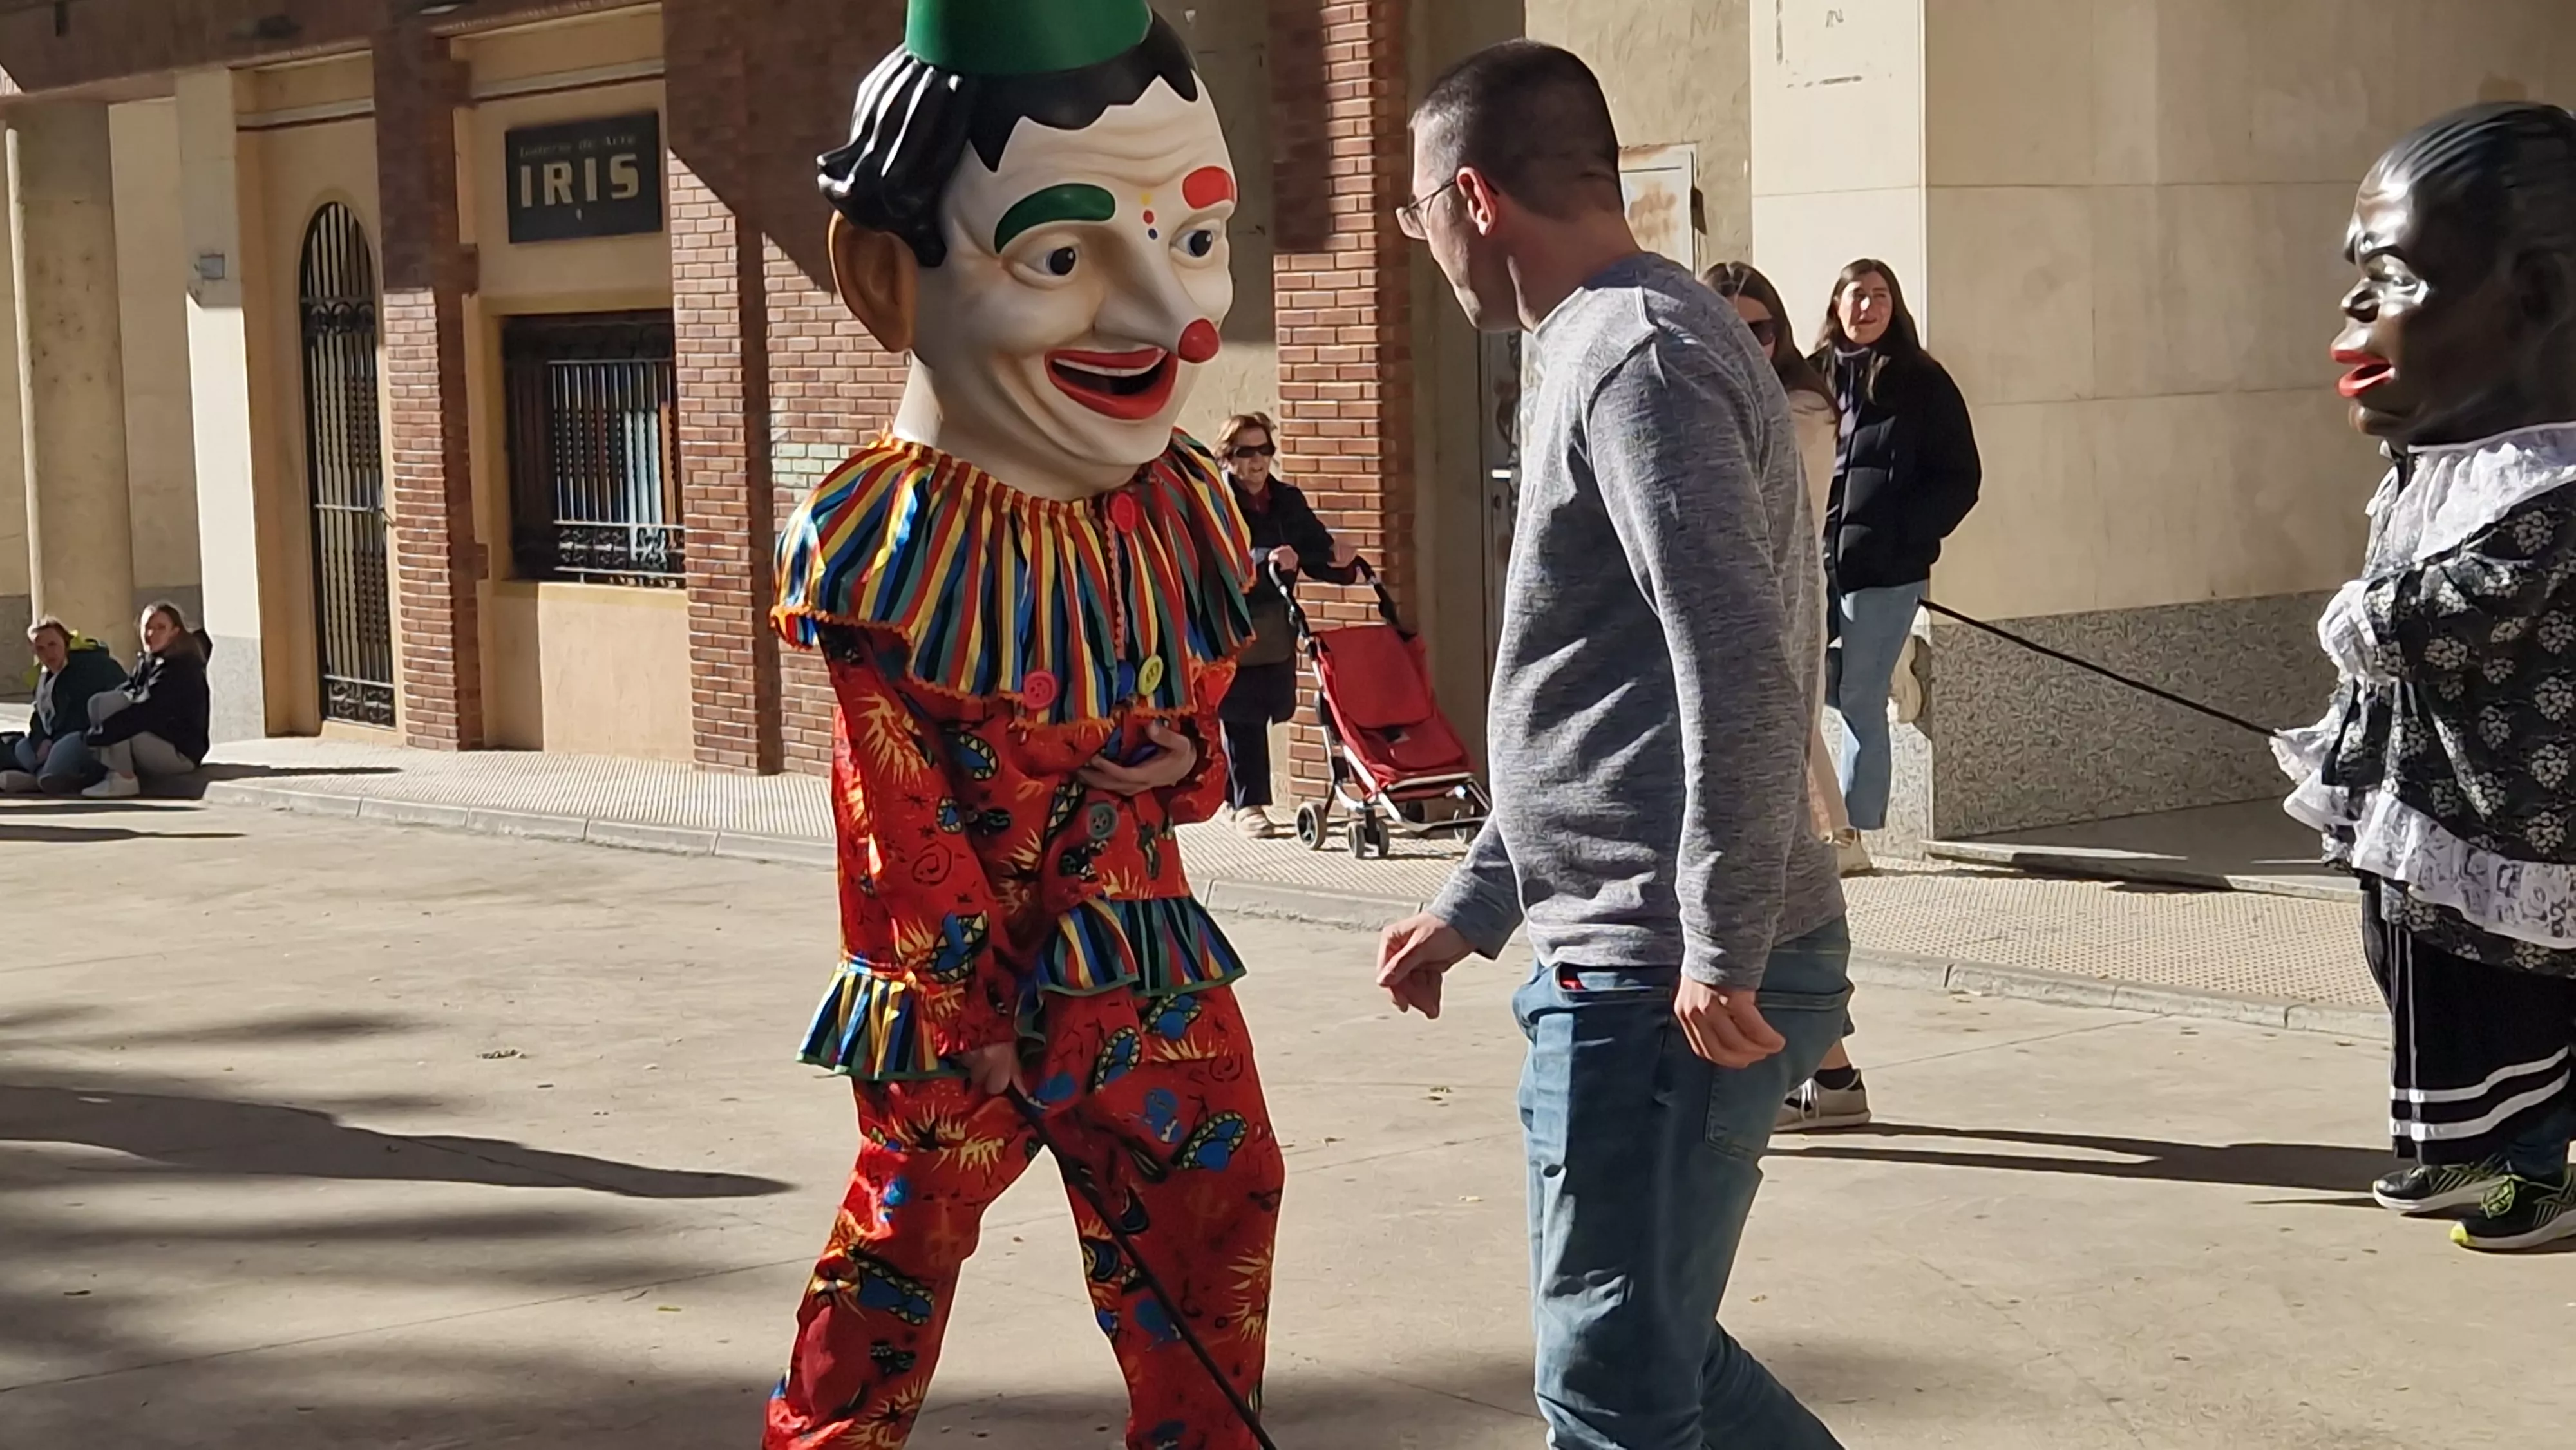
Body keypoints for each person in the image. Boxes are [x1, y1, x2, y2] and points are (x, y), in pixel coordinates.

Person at [761, 4, 1284, 1445]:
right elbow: (891, 807)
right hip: (963, 984)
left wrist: (1186, 755)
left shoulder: (1178, 506)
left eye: (1196, 238)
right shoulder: (881, 538)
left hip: (1137, 950)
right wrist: (962, 1011)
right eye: (1060, 255)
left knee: (1221, 1201)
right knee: (901, 1246)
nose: (1171, 317)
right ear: (886, 274)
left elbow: (1193, 708)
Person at [1376, 41, 1850, 1450]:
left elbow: (1738, 664)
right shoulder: (1602, 340)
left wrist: (1718, 940)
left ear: (1473, 198)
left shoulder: (1637, 356)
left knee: (1608, 1389)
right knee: (1656, 1356)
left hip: (1660, 979)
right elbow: (1589, 693)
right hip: (1635, 953)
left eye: (1416, 215)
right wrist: (1476, 900)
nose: (1424, 249)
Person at [2277, 101, 2576, 1252]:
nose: (2356, 310)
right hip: (2425, 801)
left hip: (2515, 820)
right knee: (2420, 966)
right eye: (2357, 279)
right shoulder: (2439, 465)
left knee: (2514, 989)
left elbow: (2480, 603)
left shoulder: (2546, 482)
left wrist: (2373, 618)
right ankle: (2468, 1142)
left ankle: (2537, 1167)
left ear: (2534, 297)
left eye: (2394, 279)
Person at [1705, 261, 1870, 880]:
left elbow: (1773, 498)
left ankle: (1835, 839)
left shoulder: (1800, 406)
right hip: (1729, 583)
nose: (1749, 344)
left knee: (1788, 716)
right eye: (1730, 329)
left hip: (1782, 579)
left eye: (1761, 330)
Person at [1808, 259, 1980, 839]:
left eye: (1880, 295)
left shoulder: (1922, 381)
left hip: (1885, 571)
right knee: (1791, 681)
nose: (1868, 307)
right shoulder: (1811, 375)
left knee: (1859, 698)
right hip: (1812, 562)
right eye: (1857, 295)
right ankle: (1881, 671)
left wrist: (1905, 535)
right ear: (1836, 305)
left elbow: (1960, 478)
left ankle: (1851, 836)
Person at [1213, 410, 1354, 838]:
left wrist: (1340, 561)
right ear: (1228, 458)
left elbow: (1312, 547)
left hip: (1274, 623)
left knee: (1272, 703)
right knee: (1243, 711)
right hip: (1227, 620)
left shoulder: (1286, 499)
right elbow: (1215, 558)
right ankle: (1248, 805)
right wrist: (1264, 561)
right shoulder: (1216, 503)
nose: (1258, 461)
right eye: (1246, 452)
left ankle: (1228, 795)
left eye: (1265, 450)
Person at [55, 602, 211, 800]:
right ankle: (94, 772)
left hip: (181, 754)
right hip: (156, 738)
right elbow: (127, 692)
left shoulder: (180, 668)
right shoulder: (149, 661)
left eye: (160, 628)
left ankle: (123, 778)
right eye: (147, 627)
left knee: (114, 715)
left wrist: (100, 735)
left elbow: (146, 712)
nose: (151, 634)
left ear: (175, 632)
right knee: (100, 702)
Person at [2, 617, 128, 795]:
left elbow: (85, 715)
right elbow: (39, 716)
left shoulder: (89, 668)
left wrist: (53, 742)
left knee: (57, 761)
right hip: (53, 740)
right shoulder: (44, 677)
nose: (48, 653)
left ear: (65, 641)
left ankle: (39, 779)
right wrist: (40, 741)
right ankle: (39, 777)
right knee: (23, 747)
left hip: (84, 738)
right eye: (40, 649)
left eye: (52, 645)